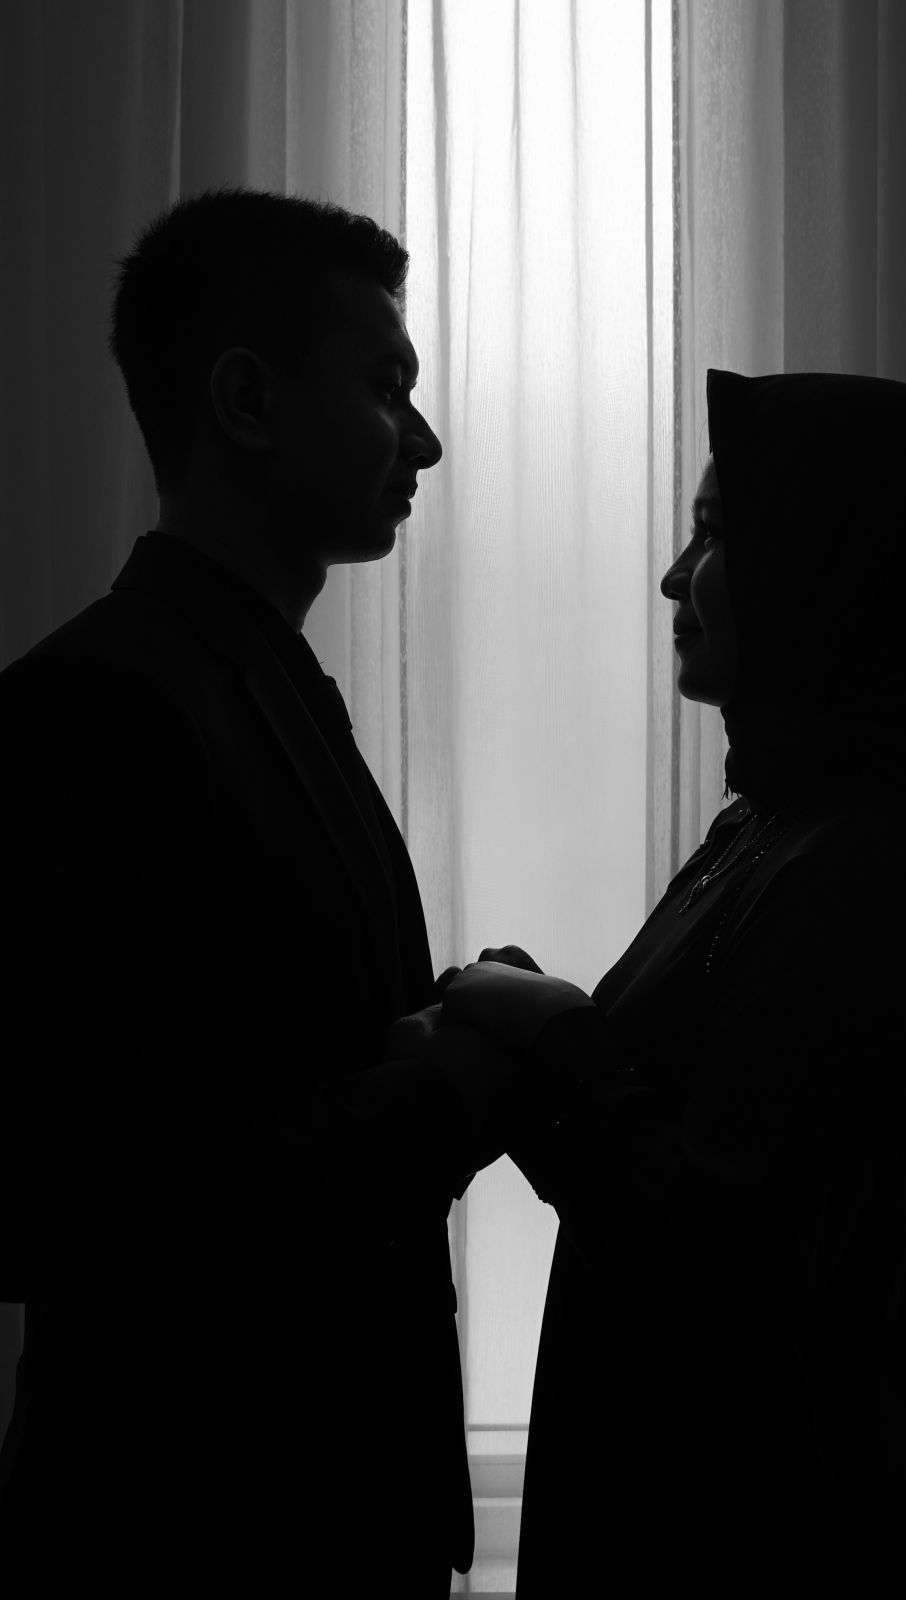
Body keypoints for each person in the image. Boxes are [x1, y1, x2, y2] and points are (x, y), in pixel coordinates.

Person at [401, 369, 906, 1596]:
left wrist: (551, 1031)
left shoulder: (877, 867)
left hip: (767, 1532)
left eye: (714, 535)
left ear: (832, 568)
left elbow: (724, 1249)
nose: (673, 577)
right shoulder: (778, 822)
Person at [0, 186, 574, 1595]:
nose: (421, 441)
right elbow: (73, 1189)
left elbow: (261, 1055)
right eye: (385, 386)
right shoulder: (102, 707)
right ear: (247, 401)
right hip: (194, 1531)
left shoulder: (252, 687)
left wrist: (438, 1020)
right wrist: (456, 1082)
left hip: (327, 1512)